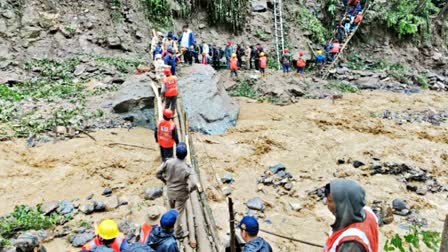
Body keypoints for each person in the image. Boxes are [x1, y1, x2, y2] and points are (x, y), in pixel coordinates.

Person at [323, 179, 379, 252]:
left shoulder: (351, 245)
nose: (326, 203)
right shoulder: (367, 211)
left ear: (342, 206)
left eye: (330, 201)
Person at [156, 142, 198, 238]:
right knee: (178, 213)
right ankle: (178, 233)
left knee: (172, 209)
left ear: (176, 153)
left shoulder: (168, 162)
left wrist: (165, 180)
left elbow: (157, 173)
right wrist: (189, 189)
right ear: (186, 155)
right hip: (181, 194)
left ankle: (169, 227)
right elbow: (195, 183)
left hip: (170, 191)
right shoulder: (187, 168)